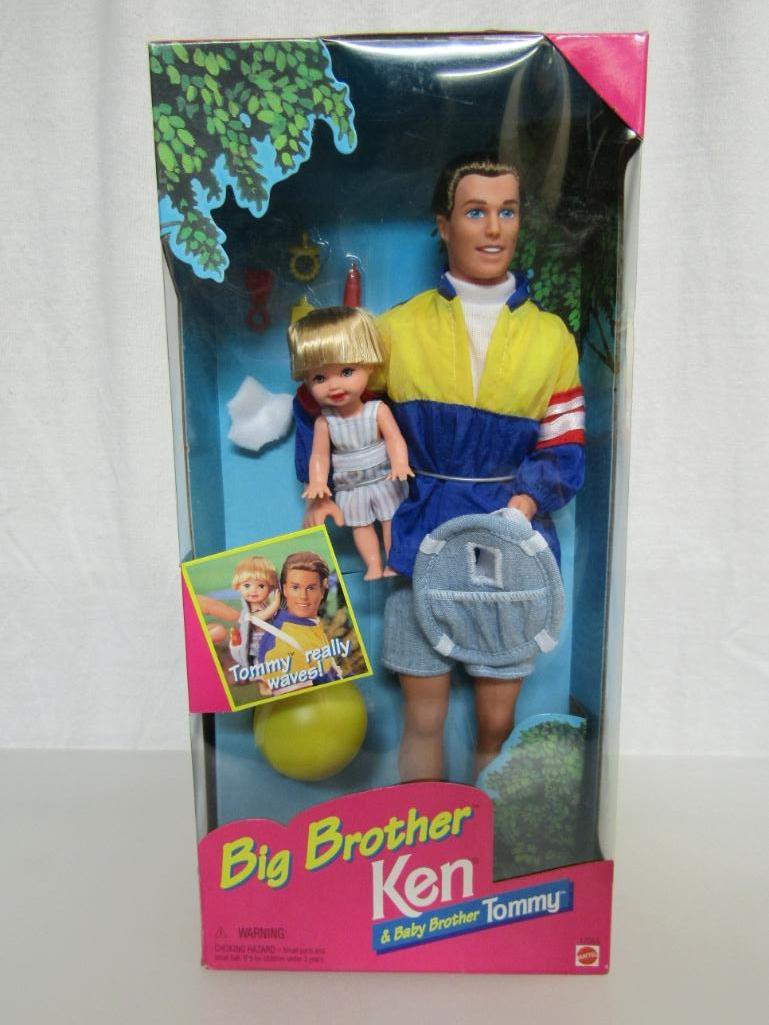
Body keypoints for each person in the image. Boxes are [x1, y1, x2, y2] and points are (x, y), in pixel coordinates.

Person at [296, 152, 585, 780]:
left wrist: (523, 506)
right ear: (443, 225)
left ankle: (490, 829)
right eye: (475, 212)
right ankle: (425, 830)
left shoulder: (551, 339)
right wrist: (323, 485)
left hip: (509, 544)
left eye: (507, 211)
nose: (494, 228)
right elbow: (330, 408)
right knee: (422, 715)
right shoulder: (396, 329)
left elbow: (565, 447)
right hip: (419, 532)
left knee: (496, 721)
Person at [287, 307, 413, 579]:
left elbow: (394, 438)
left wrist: (400, 463)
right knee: (361, 526)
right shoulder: (325, 422)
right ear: (307, 382)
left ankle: (392, 562)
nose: (334, 386)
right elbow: (319, 456)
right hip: (350, 484)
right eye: (319, 378)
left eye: (346, 371)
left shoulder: (377, 410)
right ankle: (373, 565)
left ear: (368, 365)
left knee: (390, 520)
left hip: (383, 476)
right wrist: (317, 482)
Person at [252, 551, 343, 688]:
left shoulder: (307, 625)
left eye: (311, 588)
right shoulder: (283, 645)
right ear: (284, 589)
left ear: (322, 591)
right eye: (295, 587)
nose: (303, 596)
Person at [228, 555, 281, 673]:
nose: (253, 590)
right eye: (247, 585)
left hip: (269, 643)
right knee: (262, 667)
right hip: (257, 646)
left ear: (270, 588)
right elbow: (261, 617)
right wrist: (275, 604)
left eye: (261, 586)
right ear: (238, 586)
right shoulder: (248, 612)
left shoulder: (263, 606)